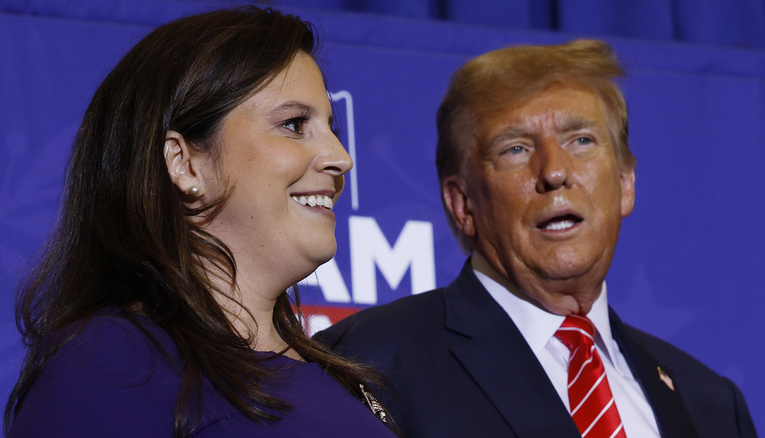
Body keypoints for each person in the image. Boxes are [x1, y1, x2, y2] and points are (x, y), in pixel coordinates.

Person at [315, 40, 757, 437]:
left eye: (581, 140)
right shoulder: (364, 365)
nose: (555, 172)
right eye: (516, 149)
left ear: (625, 183)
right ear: (463, 203)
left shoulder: (712, 405)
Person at [3, 6, 395, 437]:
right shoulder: (111, 363)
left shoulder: (340, 378)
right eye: (294, 124)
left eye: (330, 126)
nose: (341, 157)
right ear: (184, 164)